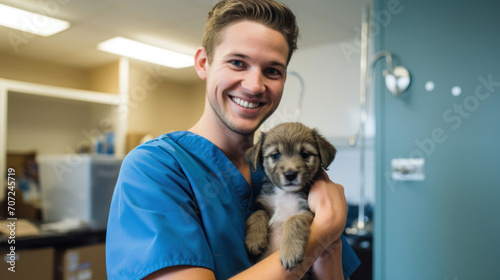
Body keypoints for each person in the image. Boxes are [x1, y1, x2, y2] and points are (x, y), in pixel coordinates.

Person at [105, 0, 360, 279]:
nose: (254, 85)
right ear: (204, 63)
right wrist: (324, 229)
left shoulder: (278, 170)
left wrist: (331, 245)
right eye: (238, 63)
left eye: (272, 70)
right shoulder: (153, 169)